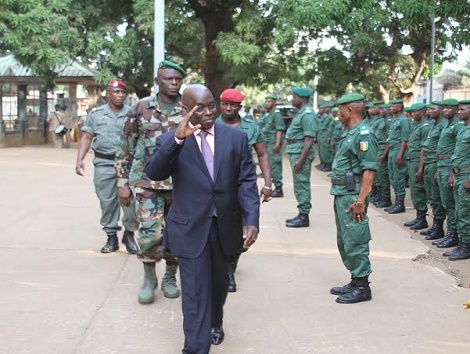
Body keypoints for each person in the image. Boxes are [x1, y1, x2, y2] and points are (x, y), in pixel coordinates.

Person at [145, 84, 260, 353]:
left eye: (211, 105)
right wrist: (177, 140)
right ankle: (195, 347)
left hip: (225, 226)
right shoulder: (170, 140)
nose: (209, 112)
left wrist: (251, 219)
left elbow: (246, 182)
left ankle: (215, 322)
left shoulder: (236, 138)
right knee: (195, 292)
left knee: (219, 287)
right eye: (201, 107)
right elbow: (155, 172)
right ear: (186, 110)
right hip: (190, 227)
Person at [115, 60, 186, 303]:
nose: (174, 83)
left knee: (177, 232)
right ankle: (149, 277)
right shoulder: (141, 108)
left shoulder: (189, 109)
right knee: (149, 232)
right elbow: (126, 145)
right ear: (157, 81)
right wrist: (122, 182)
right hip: (146, 183)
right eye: (168, 78)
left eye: (177, 79)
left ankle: (169, 276)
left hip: (181, 183)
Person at [217, 88, 272, 293]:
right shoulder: (211, 125)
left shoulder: (251, 127)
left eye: (233, 105)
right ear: (220, 104)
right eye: (225, 104)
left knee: (247, 229)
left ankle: (232, 263)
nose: (228, 108)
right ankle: (226, 270)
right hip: (218, 185)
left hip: (243, 184)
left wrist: (267, 183)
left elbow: (262, 154)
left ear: (240, 107)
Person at [75, 80, 139, 254]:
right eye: (116, 92)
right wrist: (79, 159)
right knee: (107, 201)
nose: (120, 95)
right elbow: (87, 137)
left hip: (128, 164)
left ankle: (130, 234)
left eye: (122, 93)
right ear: (108, 94)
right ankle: (111, 237)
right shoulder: (96, 114)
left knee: (131, 201)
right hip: (104, 163)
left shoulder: (132, 114)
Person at [329, 93, 378, 304]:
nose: (337, 113)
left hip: (352, 196)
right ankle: (354, 279)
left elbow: (369, 170)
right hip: (342, 194)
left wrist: (360, 200)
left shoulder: (364, 134)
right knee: (345, 239)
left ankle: (362, 287)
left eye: (340, 109)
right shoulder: (351, 133)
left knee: (356, 238)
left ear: (349, 111)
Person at [433, 99, 465, 248]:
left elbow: (459, 151)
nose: (445, 110)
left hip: (452, 168)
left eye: (448, 108)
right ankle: (451, 233)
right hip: (443, 166)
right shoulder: (448, 125)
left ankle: (454, 235)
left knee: (453, 205)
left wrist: (452, 173)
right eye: (443, 108)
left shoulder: (458, 126)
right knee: (446, 202)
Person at [284, 87, 317, 228]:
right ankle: (301, 213)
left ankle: (304, 216)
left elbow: (309, 140)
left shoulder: (307, 114)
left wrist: (300, 160)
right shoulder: (301, 113)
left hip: (300, 153)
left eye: (294, 97)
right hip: (296, 151)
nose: (292, 99)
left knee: (301, 184)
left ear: (303, 99)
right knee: (299, 184)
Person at [417, 101, 447, 240]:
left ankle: (439, 227)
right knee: (432, 197)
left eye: (432, 108)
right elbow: (425, 147)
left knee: (437, 198)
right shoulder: (433, 125)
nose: (429, 111)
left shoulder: (443, 126)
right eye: (428, 108)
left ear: (440, 111)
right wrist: (421, 168)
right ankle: (435, 225)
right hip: (429, 162)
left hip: (436, 162)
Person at [444, 99, 470, 261]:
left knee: (465, 212)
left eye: (462, 109)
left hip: (466, 176)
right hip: (458, 174)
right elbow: (457, 154)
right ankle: (461, 243)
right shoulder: (463, 130)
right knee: (458, 210)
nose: (459, 112)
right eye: (458, 110)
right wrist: (453, 174)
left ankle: (466, 246)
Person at [403, 103, 431, 230]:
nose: (413, 114)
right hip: (412, 159)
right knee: (414, 189)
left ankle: (422, 218)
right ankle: (419, 216)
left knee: (418, 189)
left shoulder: (425, 127)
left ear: (424, 111)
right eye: (412, 112)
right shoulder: (416, 125)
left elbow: (423, 150)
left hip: (418, 161)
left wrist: (420, 169)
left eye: (416, 112)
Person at [380, 99, 411, 214]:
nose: (390, 108)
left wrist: (400, 155)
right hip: (392, 150)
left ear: (399, 108)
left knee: (399, 178)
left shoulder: (404, 120)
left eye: (393, 106)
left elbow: (405, 139)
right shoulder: (394, 120)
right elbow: (390, 139)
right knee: (392, 177)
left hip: (399, 150)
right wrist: (385, 154)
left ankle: (400, 203)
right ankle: (396, 202)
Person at [262, 94, 285, 197]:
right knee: (270, 164)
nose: (267, 103)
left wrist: (277, 144)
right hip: (267, 141)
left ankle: (279, 188)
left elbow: (279, 130)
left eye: (270, 101)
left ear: (274, 103)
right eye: (266, 101)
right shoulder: (269, 114)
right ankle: (274, 186)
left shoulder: (276, 114)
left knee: (275, 164)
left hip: (272, 142)